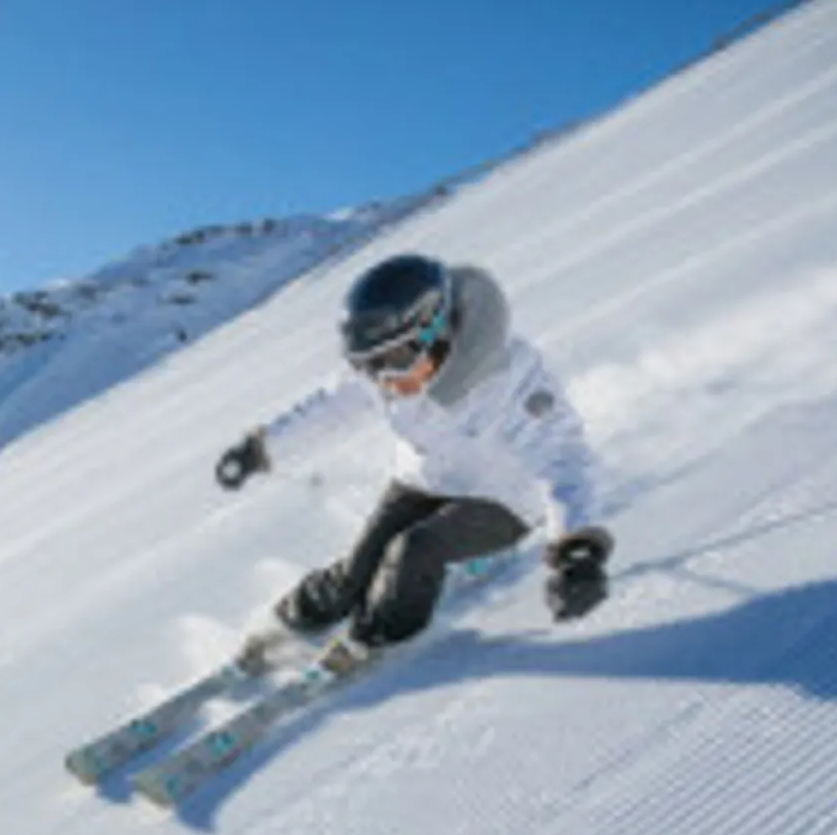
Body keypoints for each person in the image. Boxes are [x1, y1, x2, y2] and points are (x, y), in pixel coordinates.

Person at [214, 252, 612, 668]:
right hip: (423, 479)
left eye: (396, 360)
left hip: (503, 500)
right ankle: (290, 621)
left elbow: (566, 459)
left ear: (435, 333)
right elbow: (329, 409)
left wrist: (577, 552)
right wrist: (261, 450)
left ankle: (375, 638)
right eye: (367, 365)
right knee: (359, 566)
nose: (384, 379)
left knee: (414, 550)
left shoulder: (512, 377)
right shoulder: (385, 372)